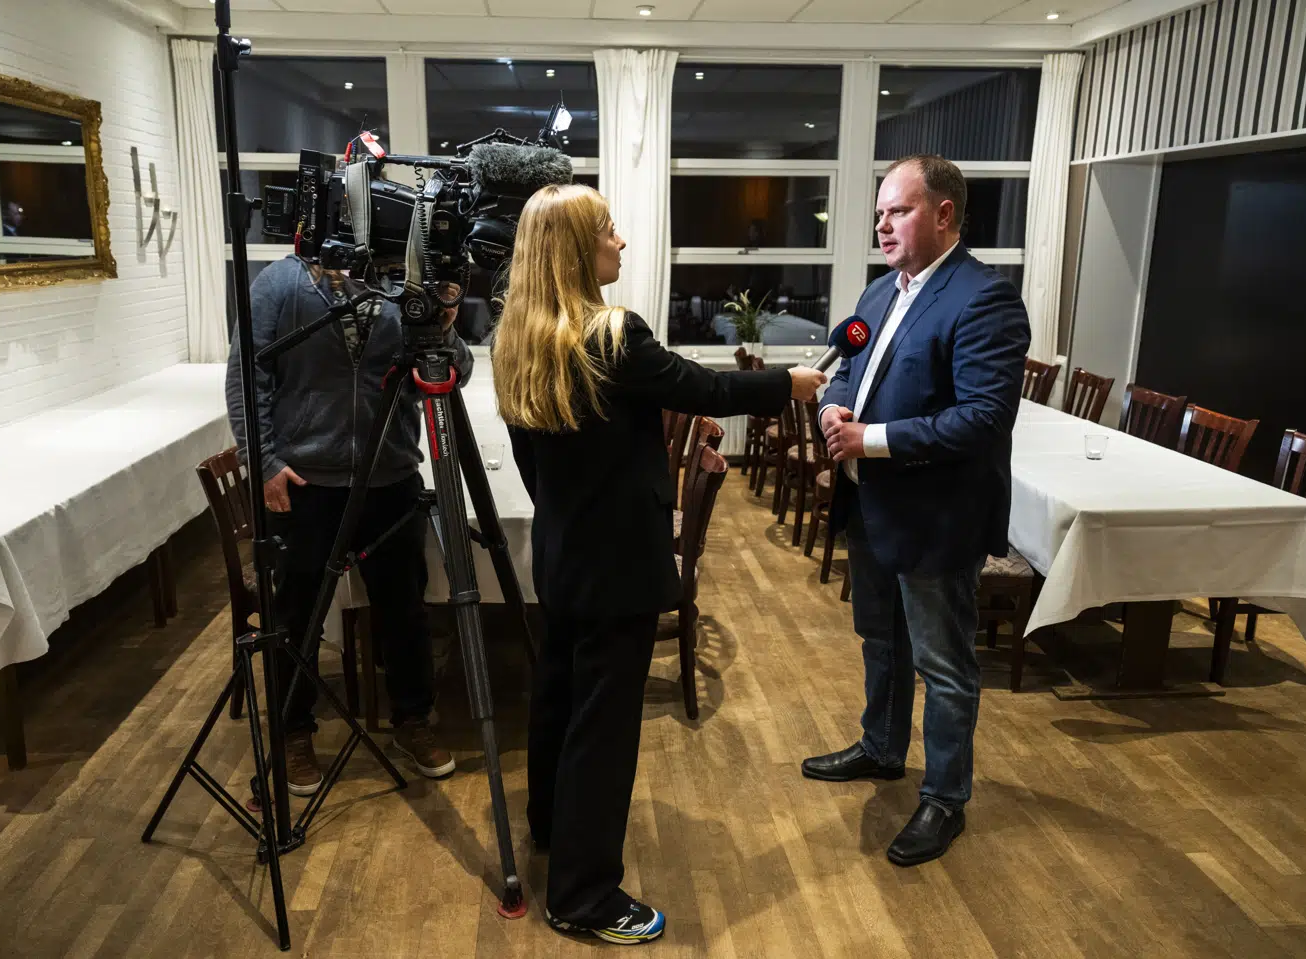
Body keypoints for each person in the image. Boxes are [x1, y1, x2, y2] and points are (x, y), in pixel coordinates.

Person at [492, 183, 826, 944]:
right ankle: (582, 895)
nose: (621, 241)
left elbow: (532, 469)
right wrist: (790, 384)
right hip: (619, 564)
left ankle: (551, 830)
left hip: (564, 554)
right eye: (610, 230)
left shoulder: (518, 335)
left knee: (559, 700)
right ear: (579, 250)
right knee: (605, 730)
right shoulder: (612, 335)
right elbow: (704, 386)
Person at [801, 155, 1030, 867]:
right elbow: (844, 370)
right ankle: (881, 748)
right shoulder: (878, 294)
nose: (882, 224)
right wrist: (831, 404)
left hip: (937, 515)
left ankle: (945, 796)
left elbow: (983, 418)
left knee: (945, 663)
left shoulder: (983, 297)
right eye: (879, 213)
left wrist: (871, 438)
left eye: (896, 211)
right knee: (881, 640)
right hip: (873, 506)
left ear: (944, 214)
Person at [225, 254, 471, 795]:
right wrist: (262, 462)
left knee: (404, 609)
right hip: (305, 480)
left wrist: (443, 329)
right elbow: (248, 374)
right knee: (297, 614)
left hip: (391, 475)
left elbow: (457, 373)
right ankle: (294, 732)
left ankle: (413, 721)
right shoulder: (281, 283)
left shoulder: (405, 281)